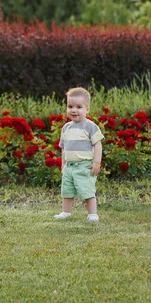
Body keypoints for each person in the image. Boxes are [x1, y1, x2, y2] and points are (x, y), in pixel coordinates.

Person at [54, 87, 104, 222]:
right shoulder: (66, 128)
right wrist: (63, 164)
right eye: (70, 106)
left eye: (78, 107)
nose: (73, 110)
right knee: (67, 190)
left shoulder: (90, 126)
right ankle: (66, 212)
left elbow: (97, 145)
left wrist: (96, 163)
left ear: (87, 109)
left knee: (87, 190)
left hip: (84, 166)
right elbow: (63, 147)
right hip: (69, 166)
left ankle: (92, 214)